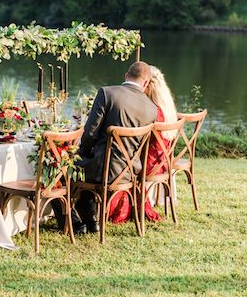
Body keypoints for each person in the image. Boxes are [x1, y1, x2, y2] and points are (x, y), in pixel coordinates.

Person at [56, 61, 157, 234]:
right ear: (146, 83)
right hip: (130, 172)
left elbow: (89, 134)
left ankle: (72, 223)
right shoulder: (152, 108)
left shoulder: (107, 93)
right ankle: (90, 221)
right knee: (84, 168)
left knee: (57, 168)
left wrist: (81, 155)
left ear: (126, 76)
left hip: (103, 170)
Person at [108, 65, 179, 223]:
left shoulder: (151, 111)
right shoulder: (166, 108)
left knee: (121, 157)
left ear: (147, 86)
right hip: (163, 162)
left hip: (146, 165)